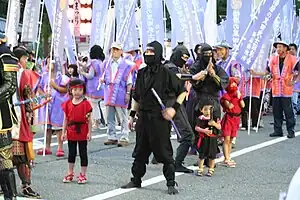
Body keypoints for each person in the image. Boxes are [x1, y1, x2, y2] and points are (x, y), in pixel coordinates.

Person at [121, 41, 186, 195]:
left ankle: (171, 183)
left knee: (164, 152)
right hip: (143, 117)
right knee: (139, 151)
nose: (148, 54)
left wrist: (173, 109)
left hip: (159, 118)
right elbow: (137, 97)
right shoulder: (142, 73)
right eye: (147, 52)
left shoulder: (166, 72)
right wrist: (131, 116)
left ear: (158, 53)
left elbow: (182, 92)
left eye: (151, 52)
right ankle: (136, 179)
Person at [189, 43, 229, 166]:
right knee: (200, 130)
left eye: (209, 55)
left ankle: (211, 158)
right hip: (199, 100)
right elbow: (192, 79)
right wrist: (203, 74)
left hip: (213, 101)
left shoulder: (218, 69)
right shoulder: (196, 67)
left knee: (212, 130)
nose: (207, 57)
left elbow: (223, 83)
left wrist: (213, 75)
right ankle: (201, 156)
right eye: (205, 55)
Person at [250, 41, 299, 139]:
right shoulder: (273, 59)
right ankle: (278, 130)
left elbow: (298, 72)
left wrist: (294, 81)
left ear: (285, 48)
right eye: (277, 47)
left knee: (288, 111)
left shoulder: (293, 59)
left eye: (280, 47)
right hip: (276, 89)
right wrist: (256, 73)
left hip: (287, 90)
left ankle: (291, 131)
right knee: (277, 111)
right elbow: (266, 72)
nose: (278, 49)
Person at [12, 47, 40, 198]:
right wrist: (30, 113)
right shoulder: (23, 73)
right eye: (25, 59)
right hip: (18, 117)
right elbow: (27, 92)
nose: (26, 62)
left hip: (5, 117)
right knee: (22, 156)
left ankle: (5, 187)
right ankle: (26, 186)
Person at [164, 45, 194, 173]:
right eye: (183, 57)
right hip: (173, 102)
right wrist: (193, 76)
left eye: (187, 58)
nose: (185, 60)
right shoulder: (169, 67)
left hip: (170, 102)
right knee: (187, 135)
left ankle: (157, 156)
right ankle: (178, 163)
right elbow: (177, 77)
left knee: (163, 131)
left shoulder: (171, 66)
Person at [102, 42, 134, 147]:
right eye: (113, 49)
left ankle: (124, 136)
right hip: (109, 91)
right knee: (109, 115)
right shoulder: (106, 63)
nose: (114, 51)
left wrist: (128, 93)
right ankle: (111, 136)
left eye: (117, 49)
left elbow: (129, 81)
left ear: (121, 51)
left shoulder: (126, 65)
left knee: (122, 116)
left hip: (120, 91)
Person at [61, 79, 92, 184]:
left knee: (83, 153)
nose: (77, 92)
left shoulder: (86, 104)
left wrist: (89, 132)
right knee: (71, 153)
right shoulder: (67, 104)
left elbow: (89, 120)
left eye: (80, 89)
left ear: (83, 90)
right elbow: (65, 119)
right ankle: (70, 172)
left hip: (82, 131)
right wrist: (63, 132)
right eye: (74, 90)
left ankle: (83, 174)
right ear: (70, 90)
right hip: (71, 131)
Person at [37, 58, 69, 156]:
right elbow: (39, 87)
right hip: (47, 103)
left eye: (50, 63)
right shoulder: (44, 76)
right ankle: (47, 147)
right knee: (47, 127)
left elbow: (65, 90)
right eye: (47, 63)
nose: (48, 65)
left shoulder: (60, 76)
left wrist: (55, 86)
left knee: (58, 127)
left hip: (57, 104)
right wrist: (43, 94)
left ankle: (60, 147)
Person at [0, 34, 18, 200]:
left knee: (4, 159)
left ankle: (10, 197)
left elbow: (11, 84)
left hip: (0, 115)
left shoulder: (4, 52)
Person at [220, 77, 245, 167]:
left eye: (235, 83)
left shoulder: (237, 94)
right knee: (226, 139)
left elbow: (243, 105)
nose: (234, 85)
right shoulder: (226, 96)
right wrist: (234, 97)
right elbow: (229, 106)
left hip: (236, 119)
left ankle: (228, 157)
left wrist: (240, 97)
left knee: (231, 139)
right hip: (229, 118)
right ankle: (226, 158)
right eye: (232, 83)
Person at [79, 45, 105, 129]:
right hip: (99, 86)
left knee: (94, 105)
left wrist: (82, 73)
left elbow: (90, 75)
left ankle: (96, 121)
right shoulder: (101, 62)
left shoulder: (93, 62)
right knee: (96, 104)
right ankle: (97, 121)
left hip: (92, 87)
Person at [195, 99, 221, 177]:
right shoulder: (201, 118)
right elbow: (196, 127)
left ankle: (211, 169)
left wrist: (214, 124)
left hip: (212, 139)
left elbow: (219, 127)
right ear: (201, 110)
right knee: (202, 154)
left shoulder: (215, 118)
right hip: (204, 139)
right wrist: (203, 131)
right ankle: (200, 168)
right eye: (205, 109)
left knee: (212, 155)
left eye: (210, 109)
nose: (208, 111)